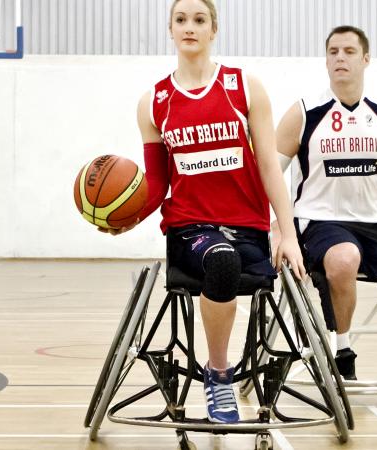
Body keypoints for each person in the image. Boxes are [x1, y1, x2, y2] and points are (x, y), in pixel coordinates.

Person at [100, 0, 305, 424]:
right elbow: (156, 185)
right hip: (190, 226)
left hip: (247, 224)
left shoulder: (244, 86)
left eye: (199, 20)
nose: (189, 27)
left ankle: (221, 371)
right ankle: (218, 374)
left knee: (232, 259)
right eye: (181, 20)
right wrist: (124, 216)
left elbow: (269, 164)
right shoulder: (155, 102)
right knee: (223, 263)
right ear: (170, 30)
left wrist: (287, 233)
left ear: (214, 30)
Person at [272, 25, 377, 380]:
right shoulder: (304, 113)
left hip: (376, 224)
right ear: (326, 60)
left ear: (365, 59)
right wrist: (276, 228)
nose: (340, 59)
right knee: (344, 258)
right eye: (333, 52)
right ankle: (343, 350)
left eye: (348, 52)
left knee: (373, 257)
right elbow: (267, 175)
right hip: (319, 221)